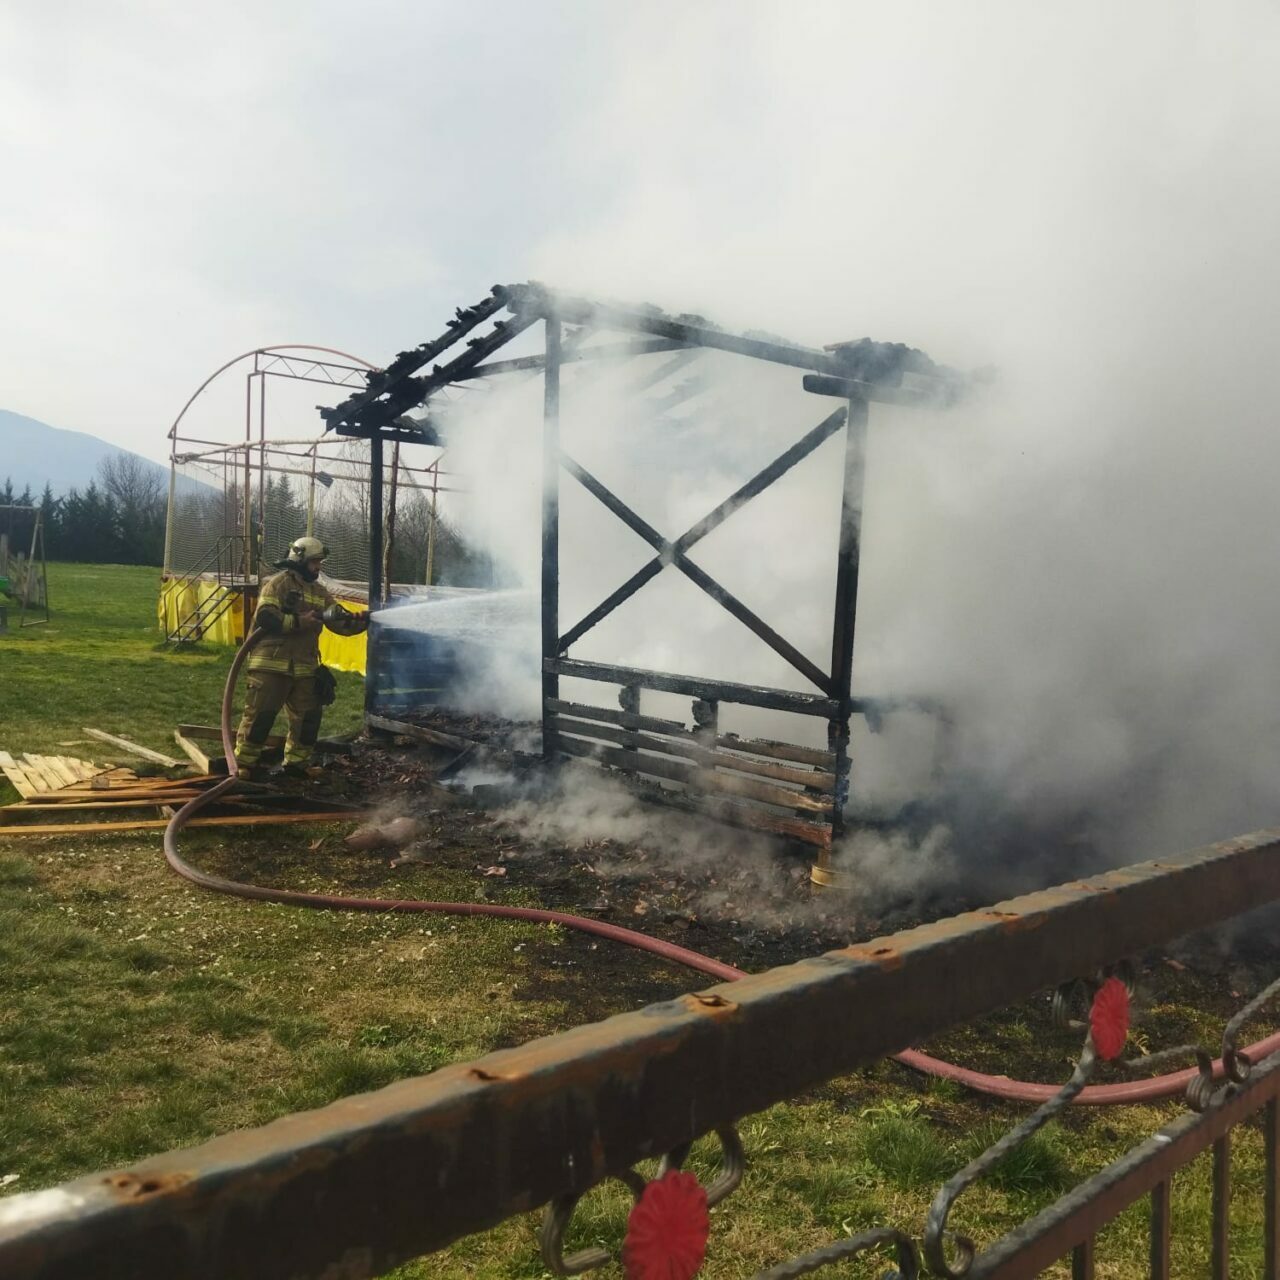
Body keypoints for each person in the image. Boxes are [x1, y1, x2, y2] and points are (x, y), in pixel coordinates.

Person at [235, 536, 369, 779]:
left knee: (308, 720)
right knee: (260, 717)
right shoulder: (278, 584)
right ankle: (244, 764)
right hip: (271, 664)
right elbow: (265, 617)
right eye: (314, 562)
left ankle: (297, 765)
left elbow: (339, 622)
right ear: (299, 561)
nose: (318, 567)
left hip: (305, 666)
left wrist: (360, 621)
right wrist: (299, 621)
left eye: (320, 562)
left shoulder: (319, 592)